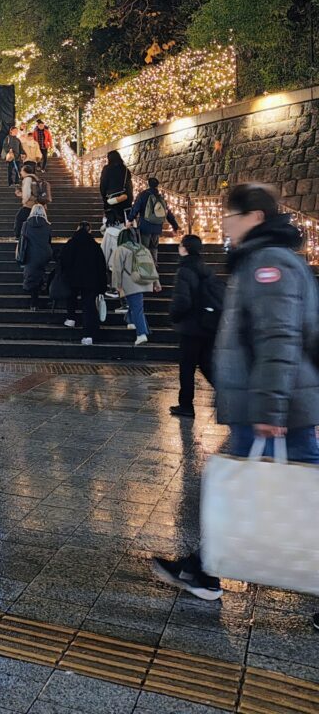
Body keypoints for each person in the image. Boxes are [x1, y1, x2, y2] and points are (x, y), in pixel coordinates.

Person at [152, 183, 319, 607]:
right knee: (240, 484)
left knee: (280, 488)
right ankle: (204, 568)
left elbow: (279, 338)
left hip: (271, 404)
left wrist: (270, 407)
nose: (224, 222)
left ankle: (205, 569)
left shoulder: (269, 264)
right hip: (270, 401)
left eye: (232, 214)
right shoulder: (266, 260)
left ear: (256, 218)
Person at [169, 234, 223, 418]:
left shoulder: (184, 269)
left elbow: (182, 300)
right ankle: (227, 394)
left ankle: (186, 405)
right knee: (206, 364)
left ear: (184, 248)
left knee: (187, 367)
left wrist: (174, 315)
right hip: (208, 325)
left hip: (191, 327)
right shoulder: (205, 267)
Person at [58, 221, 109, 345]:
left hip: (73, 278)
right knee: (89, 306)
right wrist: (103, 286)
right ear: (89, 231)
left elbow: (62, 259)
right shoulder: (95, 246)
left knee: (71, 297)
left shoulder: (71, 244)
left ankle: (71, 318)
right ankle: (88, 335)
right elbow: (101, 267)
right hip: (91, 281)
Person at [111, 227, 160, 346]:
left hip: (130, 283)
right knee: (135, 304)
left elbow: (117, 269)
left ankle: (142, 333)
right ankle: (131, 321)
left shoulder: (121, 249)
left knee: (137, 308)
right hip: (144, 280)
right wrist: (156, 283)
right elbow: (152, 267)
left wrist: (116, 285)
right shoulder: (143, 248)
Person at [128, 176, 179, 264]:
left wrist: (130, 219)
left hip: (145, 226)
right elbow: (167, 212)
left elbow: (136, 208)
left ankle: (146, 267)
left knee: (144, 248)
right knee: (154, 248)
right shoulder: (160, 197)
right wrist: (175, 225)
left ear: (148, 184)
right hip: (157, 227)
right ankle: (154, 265)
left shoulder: (143, 195)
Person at [18, 203, 52, 311]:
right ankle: (42, 292)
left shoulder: (26, 225)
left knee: (32, 277)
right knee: (40, 273)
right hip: (44, 254)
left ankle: (34, 302)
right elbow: (49, 240)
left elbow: (23, 239)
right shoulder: (47, 225)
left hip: (30, 255)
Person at [14, 161, 52, 239]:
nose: (20, 172)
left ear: (25, 171)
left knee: (19, 218)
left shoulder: (27, 179)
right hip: (37, 203)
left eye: (21, 170)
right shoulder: (34, 178)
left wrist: (24, 201)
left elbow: (27, 193)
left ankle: (19, 235)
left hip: (30, 204)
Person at [100, 150, 133, 224]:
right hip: (124, 199)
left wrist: (104, 198)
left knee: (112, 222)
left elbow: (103, 184)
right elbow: (129, 185)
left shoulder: (107, 169)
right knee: (124, 222)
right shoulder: (125, 169)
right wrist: (130, 198)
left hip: (111, 200)